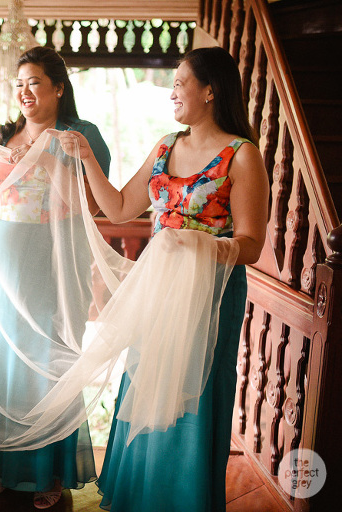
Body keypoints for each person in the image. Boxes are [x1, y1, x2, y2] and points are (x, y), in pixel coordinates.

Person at [59, 45, 269, 511]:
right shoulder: (165, 145)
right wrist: (87, 157)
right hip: (157, 292)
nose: (171, 92)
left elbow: (252, 245)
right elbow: (116, 208)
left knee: (192, 399)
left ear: (210, 90)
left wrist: (193, 244)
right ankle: (139, 496)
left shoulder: (242, 155)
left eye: (179, 83)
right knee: (147, 390)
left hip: (211, 294)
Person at [0, 46, 111, 509]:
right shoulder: (4, 133)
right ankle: (1, 463)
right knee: (2, 357)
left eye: (34, 82)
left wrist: (47, 158)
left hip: (56, 257)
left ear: (58, 87)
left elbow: (93, 205)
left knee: (51, 357)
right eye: (19, 84)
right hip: (8, 253)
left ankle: (49, 472)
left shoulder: (80, 134)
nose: (25, 92)